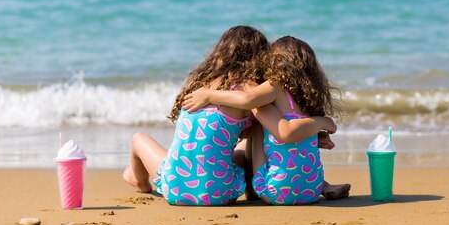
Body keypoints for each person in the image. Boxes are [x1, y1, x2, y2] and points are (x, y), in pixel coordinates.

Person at [123, 26, 337, 205]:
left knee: (138, 139)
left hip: (176, 189)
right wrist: (316, 132)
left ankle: (141, 182)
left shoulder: (200, 87)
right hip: (220, 191)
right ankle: (263, 188)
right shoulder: (250, 90)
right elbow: (277, 130)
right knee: (251, 138)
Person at [183, 36, 351, 204]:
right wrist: (320, 128)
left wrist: (208, 95)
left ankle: (251, 189)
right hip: (311, 190)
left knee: (258, 125)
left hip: (274, 191)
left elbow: (249, 98)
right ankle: (324, 185)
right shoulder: (308, 100)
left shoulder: (276, 86)